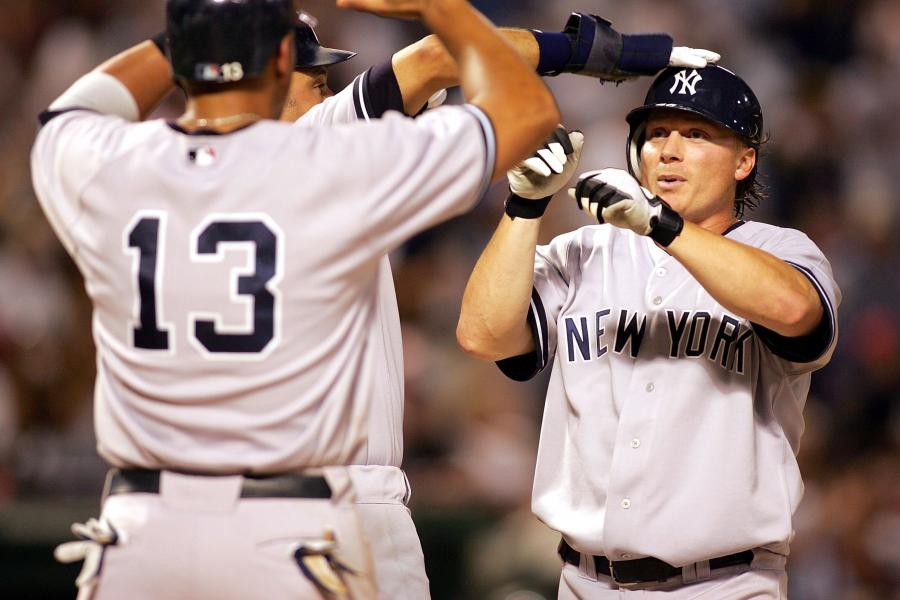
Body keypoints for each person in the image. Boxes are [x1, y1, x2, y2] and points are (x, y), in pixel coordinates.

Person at [30, 0, 562, 596]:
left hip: (143, 529)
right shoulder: (334, 164)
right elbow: (526, 109)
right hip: (287, 528)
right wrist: (439, 6)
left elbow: (71, 109)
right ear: (283, 58)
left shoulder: (108, 163)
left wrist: (199, 35)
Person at [275, 13, 722, 599]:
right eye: (313, 77)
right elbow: (442, 54)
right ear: (265, 76)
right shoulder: (309, 146)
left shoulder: (162, 173)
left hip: (219, 500)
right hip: (334, 506)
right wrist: (601, 52)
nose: (327, 88)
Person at [457, 65, 841, 598]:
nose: (669, 149)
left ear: (744, 160)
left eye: (697, 134)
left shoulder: (780, 250)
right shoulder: (585, 251)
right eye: (657, 133)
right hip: (581, 580)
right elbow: (483, 334)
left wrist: (662, 225)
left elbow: (794, 308)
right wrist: (524, 206)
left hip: (723, 584)